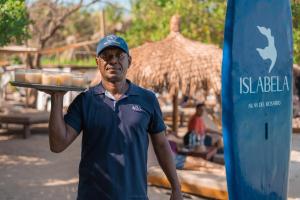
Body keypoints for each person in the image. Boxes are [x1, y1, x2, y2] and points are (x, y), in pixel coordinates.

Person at [43, 35, 183, 200]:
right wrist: (57, 98)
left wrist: (176, 187)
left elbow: (161, 145)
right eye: (106, 56)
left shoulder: (147, 99)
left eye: (119, 55)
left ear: (129, 61)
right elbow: (58, 145)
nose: (113, 60)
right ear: (97, 62)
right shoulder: (85, 100)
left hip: (135, 196)